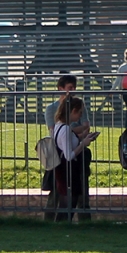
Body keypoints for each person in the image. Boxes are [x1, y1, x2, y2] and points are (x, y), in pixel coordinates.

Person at [43, 74, 92, 217]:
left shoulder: (73, 110)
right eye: (70, 88)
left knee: (77, 190)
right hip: (64, 156)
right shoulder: (57, 117)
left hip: (73, 153)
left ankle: (79, 217)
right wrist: (78, 137)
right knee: (62, 191)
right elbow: (60, 136)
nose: (73, 91)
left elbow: (86, 127)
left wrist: (74, 134)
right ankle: (55, 218)